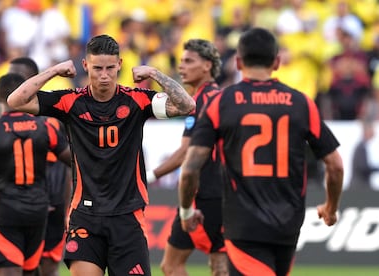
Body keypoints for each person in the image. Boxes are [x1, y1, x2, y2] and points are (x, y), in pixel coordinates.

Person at [7, 34, 196, 276]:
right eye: (97, 68)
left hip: (127, 216)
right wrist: (54, 70)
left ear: (119, 64)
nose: (104, 75)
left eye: (109, 67)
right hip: (85, 217)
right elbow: (16, 101)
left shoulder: (138, 100)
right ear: (85, 66)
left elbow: (186, 106)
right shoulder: (70, 102)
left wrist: (155, 74)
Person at [177, 27, 344, 276]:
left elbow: (190, 168)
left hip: (243, 224)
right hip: (288, 224)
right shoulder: (301, 103)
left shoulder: (221, 103)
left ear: (238, 62)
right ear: (276, 62)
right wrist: (331, 207)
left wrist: (186, 210)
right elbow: (335, 165)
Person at [0, 73, 71, 276]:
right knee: (31, 272)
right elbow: (73, 163)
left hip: (6, 212)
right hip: (38, 212)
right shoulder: (45, 128)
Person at [146, 39, 228, 275]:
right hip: (226, 192)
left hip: (205, 194)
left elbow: (186, 152)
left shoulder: (202, 101)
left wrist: (149, 176)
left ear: (207, 66)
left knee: (171, 265)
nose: (181, 67)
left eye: (189, 61)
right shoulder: (221, 98)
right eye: (181, 61)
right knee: (219, 263)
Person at [8, 56, 72, 276]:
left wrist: (66, 207)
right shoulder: (2, 123)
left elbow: (68, 165)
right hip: (13, 206)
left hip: (49, 206)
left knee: (46, 267)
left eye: (17, 77)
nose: (12, 82)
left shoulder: (50, 118)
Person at [349, 120, 379, 190]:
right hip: (359, 186)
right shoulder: (361, 148)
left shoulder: (362, 146)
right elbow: (363, 168)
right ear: (366, 132)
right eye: (372, 129)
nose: (374, 132)